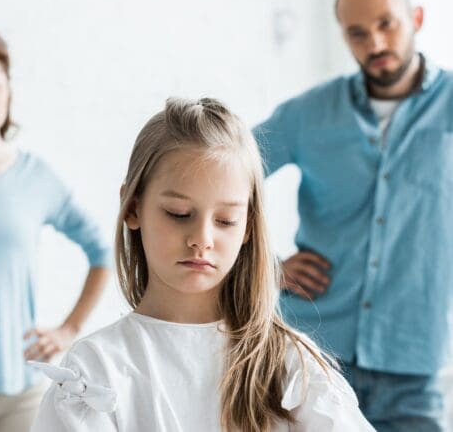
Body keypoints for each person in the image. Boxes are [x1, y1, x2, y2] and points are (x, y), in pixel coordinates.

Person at [29, 97, 374, 431]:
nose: (202, 239)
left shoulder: (291, 365)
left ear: (248, 227)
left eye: (225, 220)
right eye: (179, 214)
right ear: (133, 208)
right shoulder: (95, 371)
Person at [253, 0, 452, 431]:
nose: (376, 44)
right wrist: (266, 266)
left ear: (416, 17)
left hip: (413, 364)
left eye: (388, 25)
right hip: (310, 355)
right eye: (358, 34)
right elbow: (223, 175)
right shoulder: (308, 114)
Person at [0, 21, 111, 432]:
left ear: (8, 90)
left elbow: (102, 251)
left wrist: (69, 329)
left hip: (20, 392)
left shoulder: (36, 179)